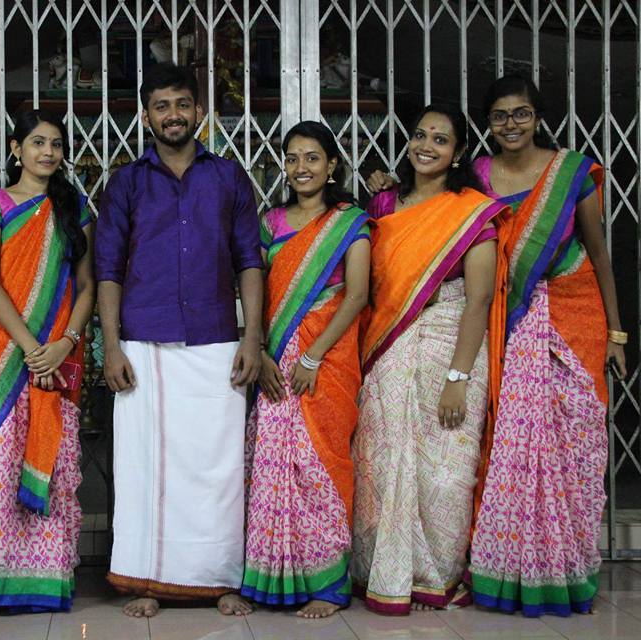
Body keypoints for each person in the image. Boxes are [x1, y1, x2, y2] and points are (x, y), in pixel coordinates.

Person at [96, 62, 264, 619]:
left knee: (219, 467)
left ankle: (219, 579)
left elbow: (249, 261)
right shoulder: (126, 182)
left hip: (216, 339)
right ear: (146, 116)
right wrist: (111, 346)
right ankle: (147, 579)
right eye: (162, 106)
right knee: (146, 467)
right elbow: (108, 269)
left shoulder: (229, 177)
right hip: (144, 341)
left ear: (200, 112)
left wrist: (252, 338)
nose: (173, 115)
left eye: (182, 104)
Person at [465, 76, 625, 616]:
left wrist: (617, 333)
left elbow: (599, 255)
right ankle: (510, 573)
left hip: (574, 317)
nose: (511, 124)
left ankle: (566, 571)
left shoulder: (571, 173)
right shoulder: (476, 175)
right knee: (512, 444)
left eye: (521, 113)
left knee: (572, 448)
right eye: (500, 115)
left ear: (537, 117)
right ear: (488, 123)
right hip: (507, 317)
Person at [351, 105, 506, 615]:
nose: (426, 146)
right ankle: (384, 571)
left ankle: (436, 575)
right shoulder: (384, 203)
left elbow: (478, 300)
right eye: (420, 135)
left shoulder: (472, 211)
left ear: (459, 153)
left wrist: (458, 378)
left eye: (441, 140)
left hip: (451, 342)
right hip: (390, 343)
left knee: (445, 472)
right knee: (383, 458)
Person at [241, 121, 370, 618]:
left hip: (326, 361)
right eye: (292, 158)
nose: (301, 168)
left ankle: (328, 585)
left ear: (332, 164)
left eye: (312, 158)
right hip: (276, 359)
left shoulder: (350, 222)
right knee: (274, 465)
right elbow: (254, 288)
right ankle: (272, 576)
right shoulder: (271, 222)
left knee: (321, 465)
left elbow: (356, 295)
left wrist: (312, 356)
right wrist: (262, 350)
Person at [0, 109, 94, 612]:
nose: (48, 152)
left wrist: (64, 343)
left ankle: (47, 577)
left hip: (59, 355)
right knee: (3, 460)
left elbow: (86, 285)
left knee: (55, 460)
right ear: (16, 149)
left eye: (56, 144)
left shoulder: (73, 207)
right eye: (38, 142)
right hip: (5, 351)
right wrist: (30, 347)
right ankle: (3, 580)